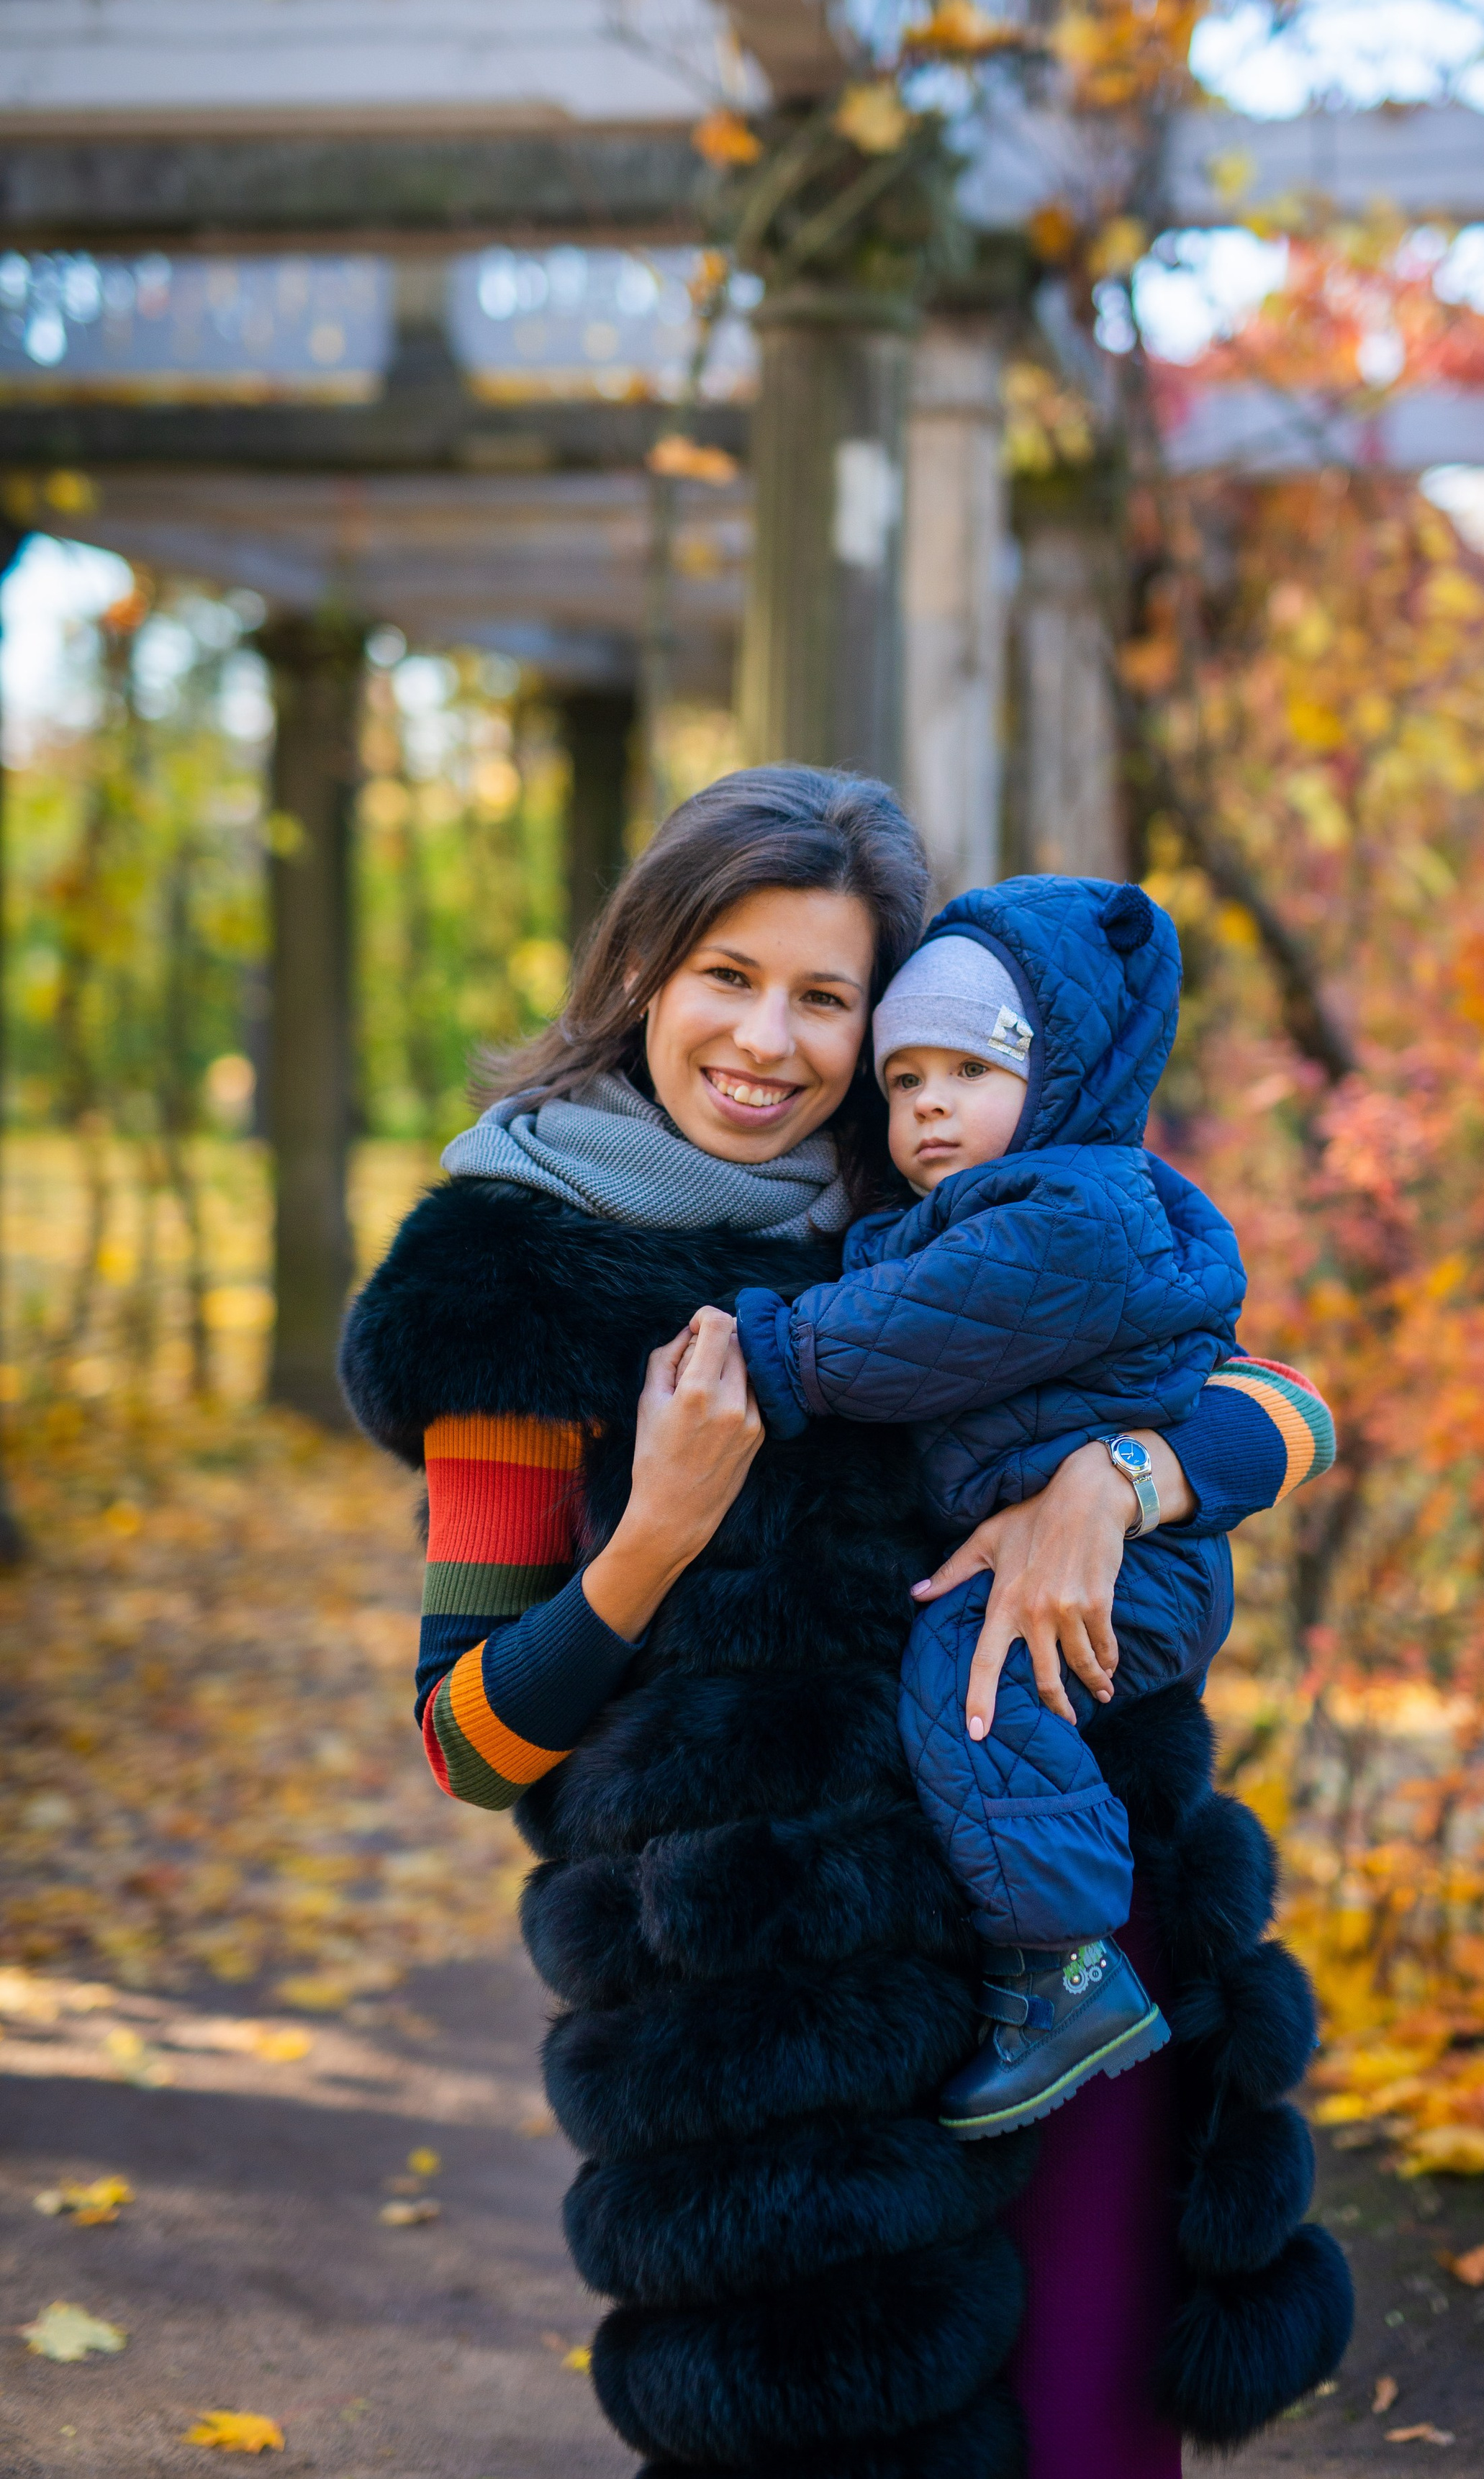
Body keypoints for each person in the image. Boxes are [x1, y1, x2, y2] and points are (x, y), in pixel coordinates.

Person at [340, 765, 1351, 2479]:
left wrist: (1118, 1479)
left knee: (1092, 2446)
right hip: (774, 2052)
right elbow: (467, 1737)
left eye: (825, 998)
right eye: (728, 976)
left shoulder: (956, 1196)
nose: (768, 1040)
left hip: (1071, 1966)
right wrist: (653, 1535)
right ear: (642, 972)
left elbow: (1285, 1407)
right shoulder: (514, 1280)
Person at [734, 874, 1334, 2140]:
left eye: (969, 1072)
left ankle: (1062, 1967)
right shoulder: (1007, 1206)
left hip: (1131, 1571)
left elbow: (907, 1336)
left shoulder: (1062, 1214)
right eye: (905, 1080)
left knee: (974, 1670)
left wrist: (777, 1351)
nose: (928, 1104)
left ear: (1056, 1079)